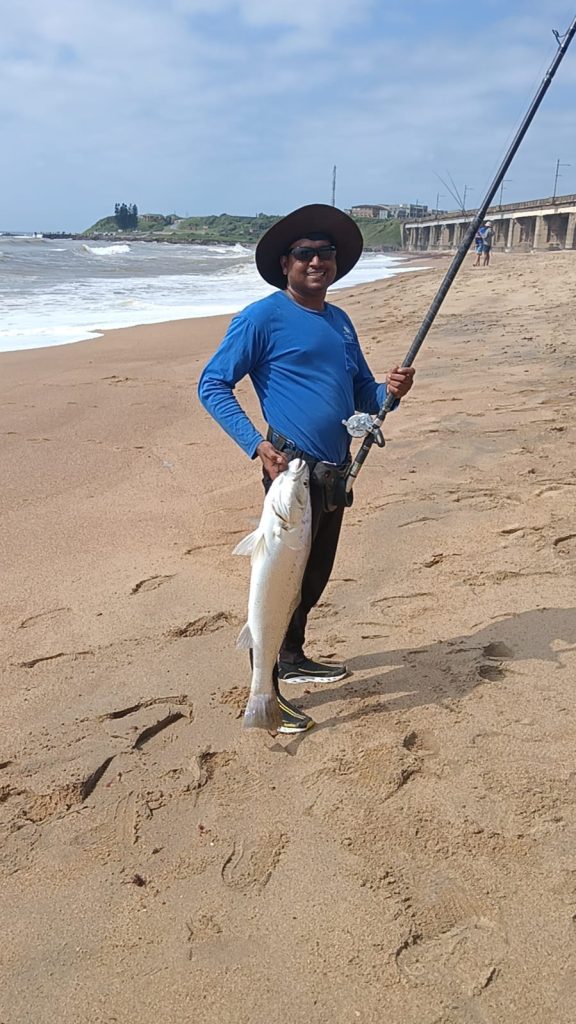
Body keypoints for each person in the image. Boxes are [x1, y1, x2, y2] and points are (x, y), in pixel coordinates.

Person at [198, 204, 415, 733]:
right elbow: (213, 383)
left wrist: (389, 391)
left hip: (336, 471)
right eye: (305, 253)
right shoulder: (262, 317)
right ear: (285, 263)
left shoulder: (340, 321)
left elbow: (360, 389)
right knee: (279, 581)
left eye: (326, 253)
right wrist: (255, 444)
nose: (317, 261)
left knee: (314, 575)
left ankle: (292, 657)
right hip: (289, 473)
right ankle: (264, 689)